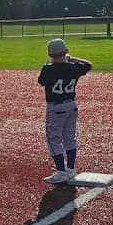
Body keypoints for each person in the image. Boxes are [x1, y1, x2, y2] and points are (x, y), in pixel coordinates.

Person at [37, 37, 92, 185]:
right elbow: (88, 64)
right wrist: (71, 59)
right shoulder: (74, 68)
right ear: (65, 51)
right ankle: (70, 169)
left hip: (56, 107)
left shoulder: (48, 68)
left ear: (50, 54)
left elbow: (41, 81)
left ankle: (61, 172)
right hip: (71, 105)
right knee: (69, 138)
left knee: (54, 139)